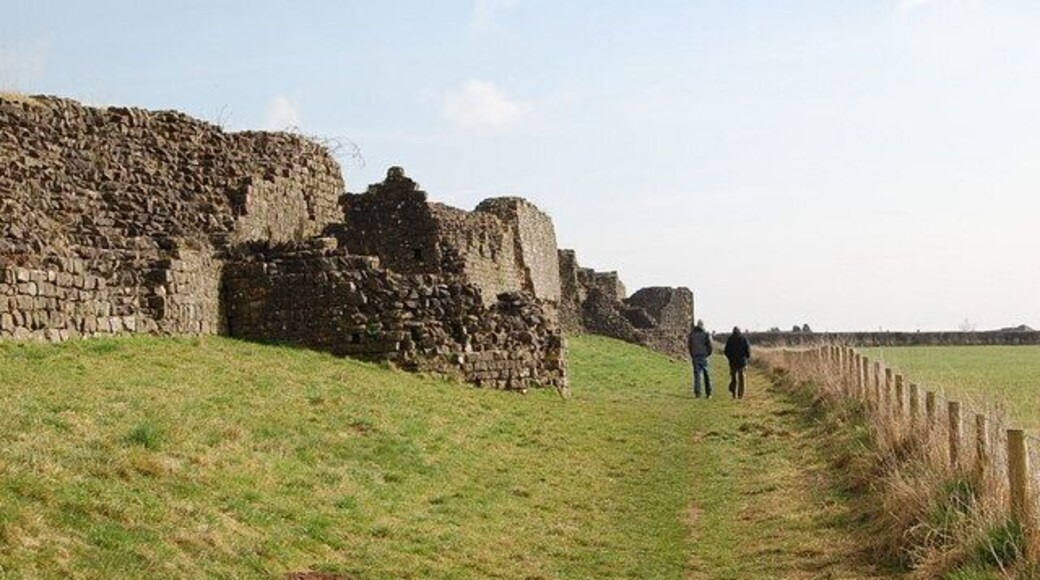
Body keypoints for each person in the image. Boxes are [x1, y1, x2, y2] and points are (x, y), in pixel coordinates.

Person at [724, 326, 751, 399]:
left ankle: (733, 393)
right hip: (742, 362)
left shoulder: (730, 339)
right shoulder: (743, 339)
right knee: (742, 379)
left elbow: (726, 351)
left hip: (733, 362)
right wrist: (747, 357)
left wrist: (730, 358)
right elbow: (747, 350)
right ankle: (740, 394)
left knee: (734, 378)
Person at [687, 320, 712, 398]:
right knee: (706, 374)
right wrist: (707, 354)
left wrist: (692, 354)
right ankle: (708, 393)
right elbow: (710, 346)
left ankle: (697, 393)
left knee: (697, 375)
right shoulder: (706, 334)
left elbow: (689, 346)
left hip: (695, 356)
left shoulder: (692, 334)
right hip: (704, 356)